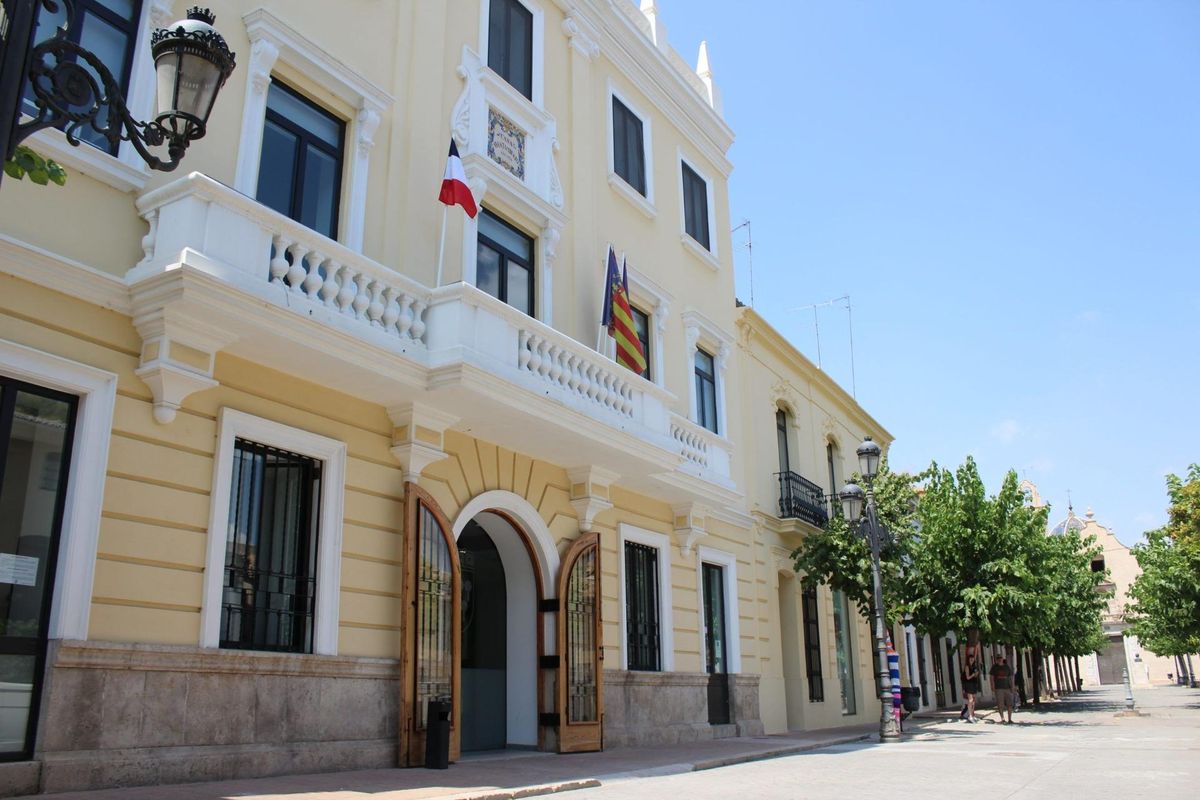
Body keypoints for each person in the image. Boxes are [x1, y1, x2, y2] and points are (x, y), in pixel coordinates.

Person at [991, 653, 1015, 724]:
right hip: (998, 688)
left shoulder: (1006, 667)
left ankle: (1010, 719)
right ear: (996, 659)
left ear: (1002, 658)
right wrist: (992, 685)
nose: (999, 659)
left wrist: (1012, 686)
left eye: (1000, 658)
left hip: (1007, 688)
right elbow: (991, 677)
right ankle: (1002, 718)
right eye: (998, 658)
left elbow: (1011, 677)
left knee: (1009, 704)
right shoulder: (994, 667)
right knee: (1000, 704)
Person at [961, 650, 981, 722]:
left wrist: (976, 674)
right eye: (971, 659)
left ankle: (973, 714)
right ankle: (969, 715)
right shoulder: (967, 667)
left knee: (974, 700)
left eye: (973, 659)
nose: (972, 660)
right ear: (968, 660)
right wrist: (973, 675)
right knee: (970, 700)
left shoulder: (975, 667)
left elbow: (976, 675)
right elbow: (967, 677)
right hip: (969, 684)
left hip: (974, 683)